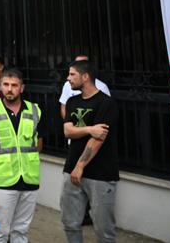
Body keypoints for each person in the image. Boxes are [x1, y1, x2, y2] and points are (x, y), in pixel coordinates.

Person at [0, 68, 45, 243]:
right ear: (0, 86)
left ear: (21, 88)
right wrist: (1, 158)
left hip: (29, 179)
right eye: (6, 85)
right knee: (0, 232)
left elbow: (39, 143)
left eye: (14, 85)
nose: (9, 89)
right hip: (3, 180)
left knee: (21, 231)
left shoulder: (35, 110)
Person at [61, 59, 119, 243]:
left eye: (72, 74)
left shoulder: (106, 103)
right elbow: (67, 131)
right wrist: (89, 129)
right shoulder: (72, 101)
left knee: (104, 230)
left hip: (100, 174)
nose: (68, 78)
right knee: (70, 223)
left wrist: (80, 166)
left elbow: (98, 138)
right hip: (71, 171)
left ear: (85, 76)